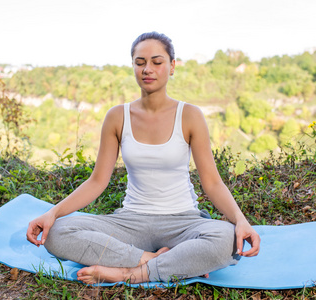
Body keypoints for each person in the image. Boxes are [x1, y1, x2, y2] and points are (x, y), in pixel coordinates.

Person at [26, 31, 260, 285]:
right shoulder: (117, 116)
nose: (148, 69)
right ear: (134, 67)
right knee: (58, 233)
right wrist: (53, 213)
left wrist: (240, 220)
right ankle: (160, 261)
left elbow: (212, 182)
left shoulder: (190, 115)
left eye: (157, 62)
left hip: (183, 223)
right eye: (140, 63)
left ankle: (128, 274)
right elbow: (96, 181)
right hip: (131, 223)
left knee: (227, 240)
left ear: (172, 67)